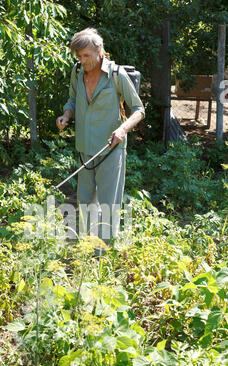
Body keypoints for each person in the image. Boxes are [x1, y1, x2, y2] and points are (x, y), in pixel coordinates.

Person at [56, 28, 145, 248]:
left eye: (86, 55)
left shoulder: (116, 75)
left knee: (108, 205)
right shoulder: (77, 72)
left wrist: (123, 130)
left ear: (99, 51)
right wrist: (66, 114)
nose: (82, 60)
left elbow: (139, 110)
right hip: (84, 148)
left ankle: (104, 254)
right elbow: (72, 100)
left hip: (110, 150)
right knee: (85, 203)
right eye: (78, 56)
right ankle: (88, 251)